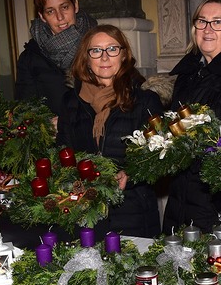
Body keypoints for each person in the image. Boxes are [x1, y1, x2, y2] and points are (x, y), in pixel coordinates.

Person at [57, 25, 163, 238]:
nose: (104, 57)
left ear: (123, 55)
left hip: (132, 211)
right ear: (86, 58)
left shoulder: (145, 100)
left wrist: (130, 176)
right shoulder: (71, 102)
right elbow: (63, 152)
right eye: (96, 50)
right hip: (86, 211)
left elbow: (159, 157)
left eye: (112, 49)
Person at [161, 0, 221, 234]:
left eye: (218, 22)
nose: (208, 29)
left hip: (218, 203)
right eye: (202, 21)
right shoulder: (187, 74)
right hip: (180, 197)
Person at [15, 0, 97, 116]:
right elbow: (24, 110)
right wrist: (47, 123)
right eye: (50, 11)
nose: (60, 17)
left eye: (64, 7)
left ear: (75, 5)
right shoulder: (30, 58)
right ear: (42, 16)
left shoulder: (99, 45)